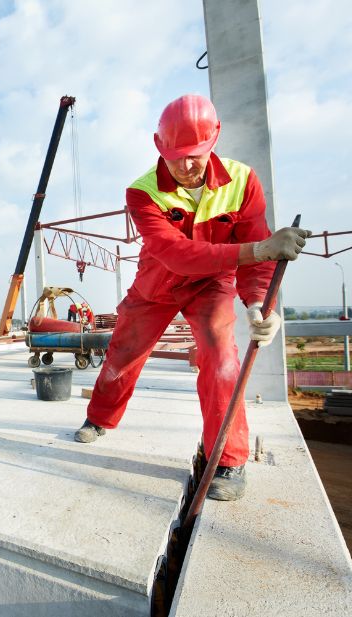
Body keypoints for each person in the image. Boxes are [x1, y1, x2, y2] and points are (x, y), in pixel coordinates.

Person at [74, 94, 310, 501]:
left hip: (212, 285)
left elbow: (257, 254)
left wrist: (258, 305)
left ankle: (229, 459)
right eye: (177, 156)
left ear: (215, 139)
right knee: (122, 353)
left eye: (196, 155)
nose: (187, 166)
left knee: (222, 361)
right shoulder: (142, 192)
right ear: (158, 146)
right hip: (157, 285)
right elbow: (177, 255)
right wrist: (259, 250)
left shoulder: (242, 181)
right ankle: (100, 418)